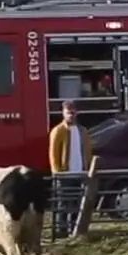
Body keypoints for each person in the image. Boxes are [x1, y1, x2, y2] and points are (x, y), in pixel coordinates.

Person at [47, 101, 91, 240]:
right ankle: (61, 231)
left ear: (76, 112)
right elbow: (53, 153)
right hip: (64, 174)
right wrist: (57, 172)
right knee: (63, 203)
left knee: (77, 203)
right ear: (63, 113)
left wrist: (87, 168)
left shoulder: (82, 131)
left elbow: (88, 151)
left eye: (73, 112)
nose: (71, 115)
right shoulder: (58, 130)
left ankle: (74, 229)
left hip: (80, 172)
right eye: (68, 113)